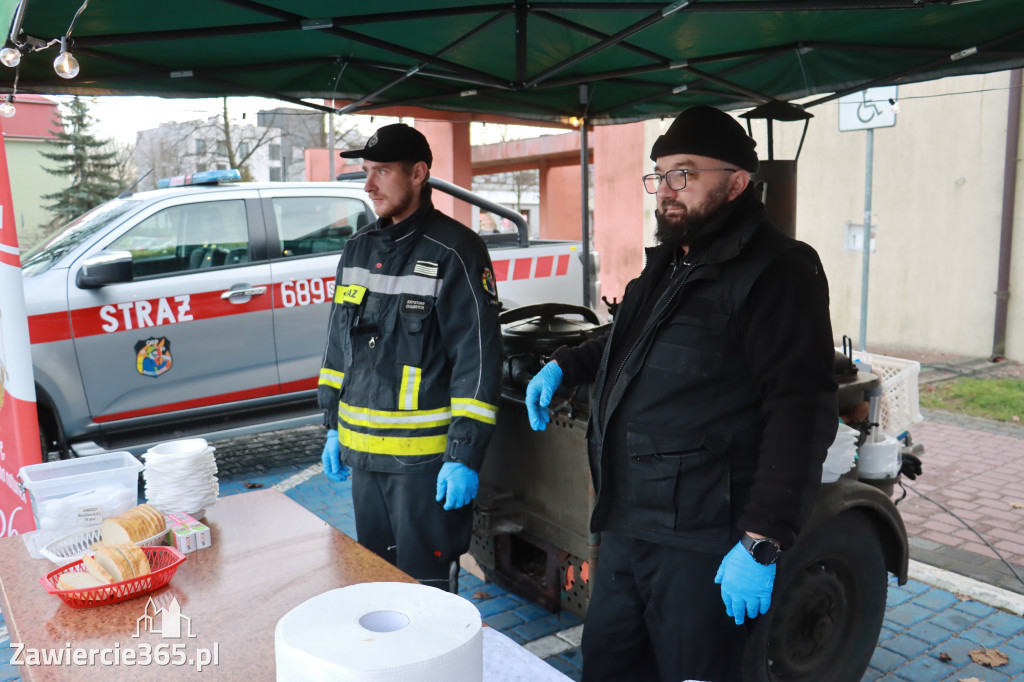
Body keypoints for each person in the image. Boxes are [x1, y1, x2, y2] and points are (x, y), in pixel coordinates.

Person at [524, 105, 838, 681]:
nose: (665, 190)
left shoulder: (778, 271)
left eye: (684, 174)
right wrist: (565, 366)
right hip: (626, 523)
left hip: (702, 542)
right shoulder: (671, 260)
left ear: (738, 182)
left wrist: (763, 539)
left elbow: (802, 411)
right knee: (612, 665)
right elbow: (625, 339)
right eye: (660, 174)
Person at [318, 123, 503, 593]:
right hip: (365, 464)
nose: (368, 185)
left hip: (425, 471)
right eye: (366, 171)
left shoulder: (457, 251)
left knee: (427, 593)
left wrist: (463, 455)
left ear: (419, 173)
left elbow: (477, 360)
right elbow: (340, 346)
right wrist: (333, 426)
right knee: (377, 585)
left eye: (381, 171)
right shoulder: (357, 250)